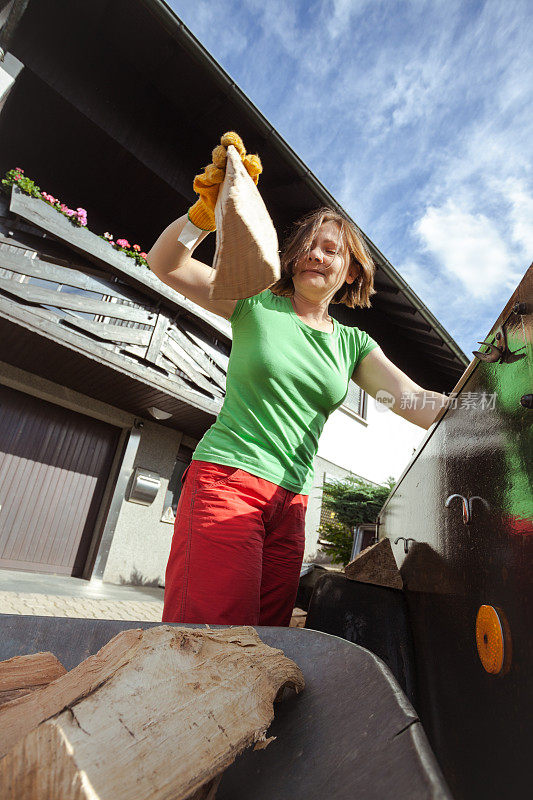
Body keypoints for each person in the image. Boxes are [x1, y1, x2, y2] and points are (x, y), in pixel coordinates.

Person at [146, 133, 448, 627]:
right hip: (229, 482)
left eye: (331, 250)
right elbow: (167, 265)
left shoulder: (352, 345)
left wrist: (490, 405)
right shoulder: (256, 302)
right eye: (308, 245)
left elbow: (412, 400)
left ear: (351, 272)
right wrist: (201, 217)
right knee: (211, 639)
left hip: (292, 505)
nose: (316, 255)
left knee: (268, 642)